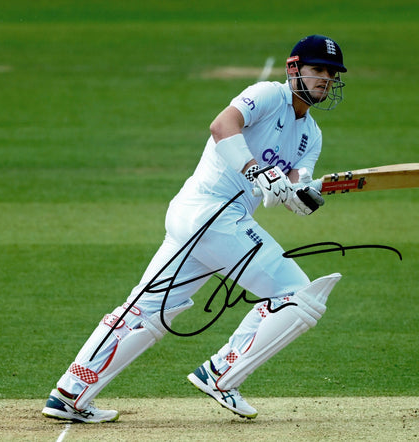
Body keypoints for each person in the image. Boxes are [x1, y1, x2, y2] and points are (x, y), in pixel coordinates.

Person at [42, 34, 347, 423]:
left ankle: (69, 393)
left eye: (332, 73)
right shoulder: (269, 94)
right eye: (318, 69)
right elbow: (222, 126)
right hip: (212, 214)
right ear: (294, 69)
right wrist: (256, 171)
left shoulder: (312, 136)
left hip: (204, 222)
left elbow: (288, 188)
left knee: (146, 310)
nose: (325, 79)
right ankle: (222, 372)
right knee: (298, 294)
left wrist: (300, 196)